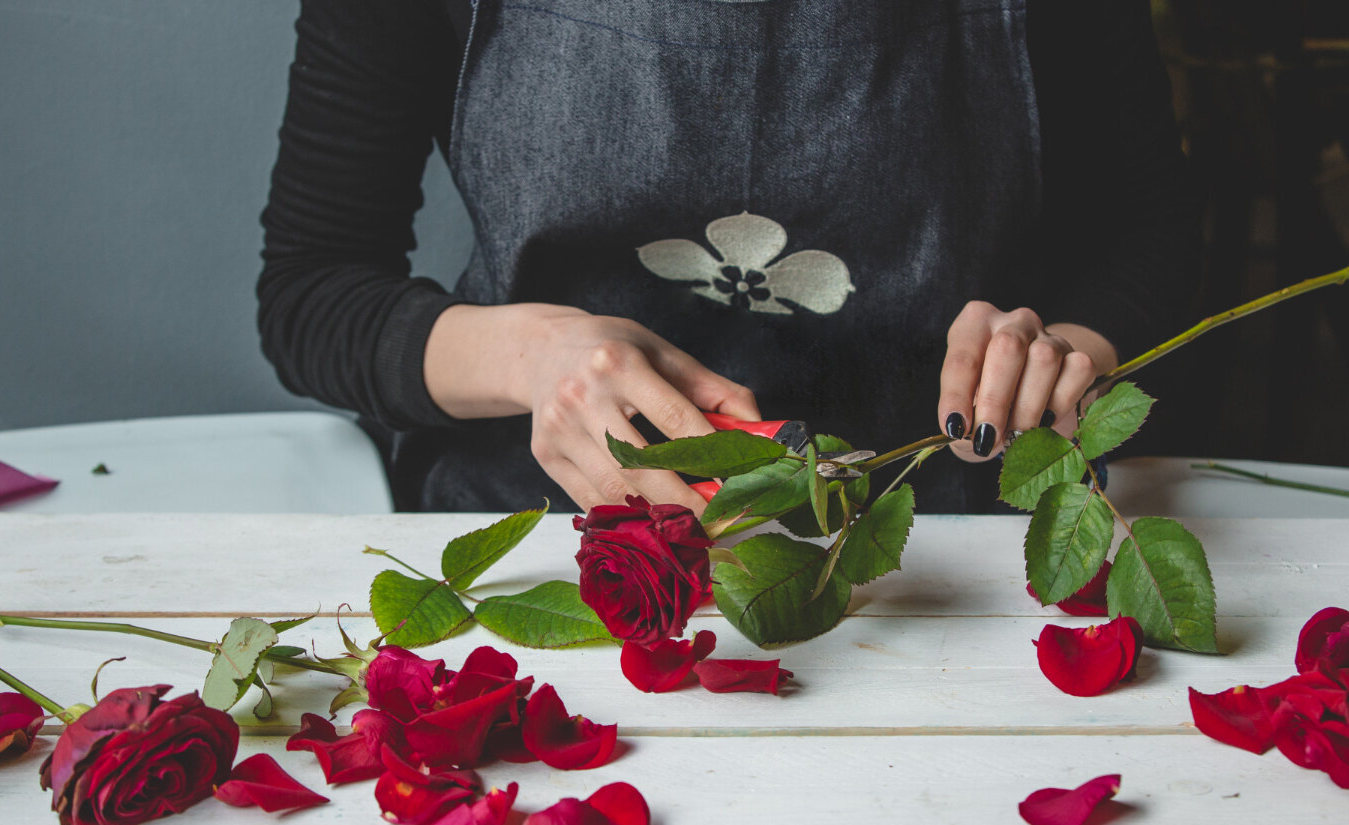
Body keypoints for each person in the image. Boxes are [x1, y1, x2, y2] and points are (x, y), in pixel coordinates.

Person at [258, 0, 1200, 515]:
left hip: (942, 555)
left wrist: (1059, 350)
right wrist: (535, 354)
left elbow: (1151, 232)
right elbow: (313, 290)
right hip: (546, 543)